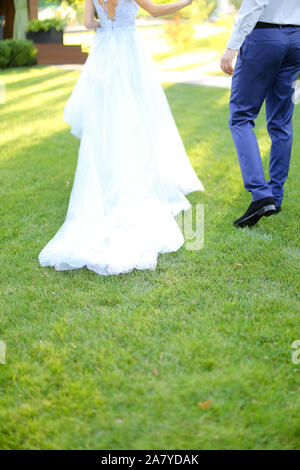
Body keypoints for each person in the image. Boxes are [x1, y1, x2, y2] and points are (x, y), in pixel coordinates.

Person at [38, 0, 204, 275]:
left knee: (106, 121)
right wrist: (187, 1)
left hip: (103, 54)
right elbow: (156, 10)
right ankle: (134, 176)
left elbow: (88, 23)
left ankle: (108, 178)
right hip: (129, 52)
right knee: (139, 117)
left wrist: (105, 22)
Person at [221, 0, 300, 228]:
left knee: (241, 117)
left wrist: (232, 45)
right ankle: (275, 195)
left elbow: (256, 2)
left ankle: (261, 195)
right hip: (296, 38)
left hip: (264, 37)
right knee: (281, 121)